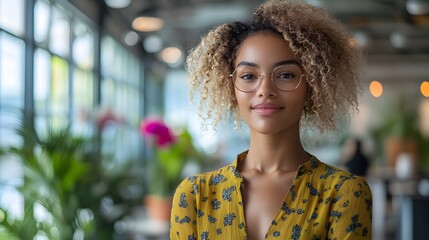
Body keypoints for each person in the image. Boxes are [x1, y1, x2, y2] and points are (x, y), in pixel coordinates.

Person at [170, 0, 373, 239]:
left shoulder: (343, 194)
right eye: (248, 76)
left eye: (286, 75)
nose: (265, 89)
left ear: (313, 85)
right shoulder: (194, 195)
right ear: (230, 87)